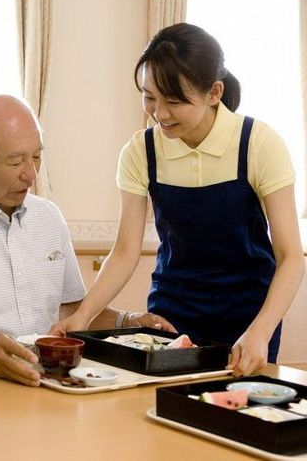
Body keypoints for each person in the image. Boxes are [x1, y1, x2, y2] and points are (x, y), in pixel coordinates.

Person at [50, 23, 304, 376]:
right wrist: (84, 314)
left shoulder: (258, 143)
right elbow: (125, 251)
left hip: (248, 315)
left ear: (214, 92)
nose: (160, 113)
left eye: (174, 101)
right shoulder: (142, 151)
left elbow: (291, 256)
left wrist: (260, 331)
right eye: (149, 96)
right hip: (170, 315)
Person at [0, 95, 172, 387]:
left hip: (47, 381)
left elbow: (69, 310)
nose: (31, 174)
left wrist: (128, 323)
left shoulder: (48, 217)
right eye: (15, 161)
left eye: (37, 157)